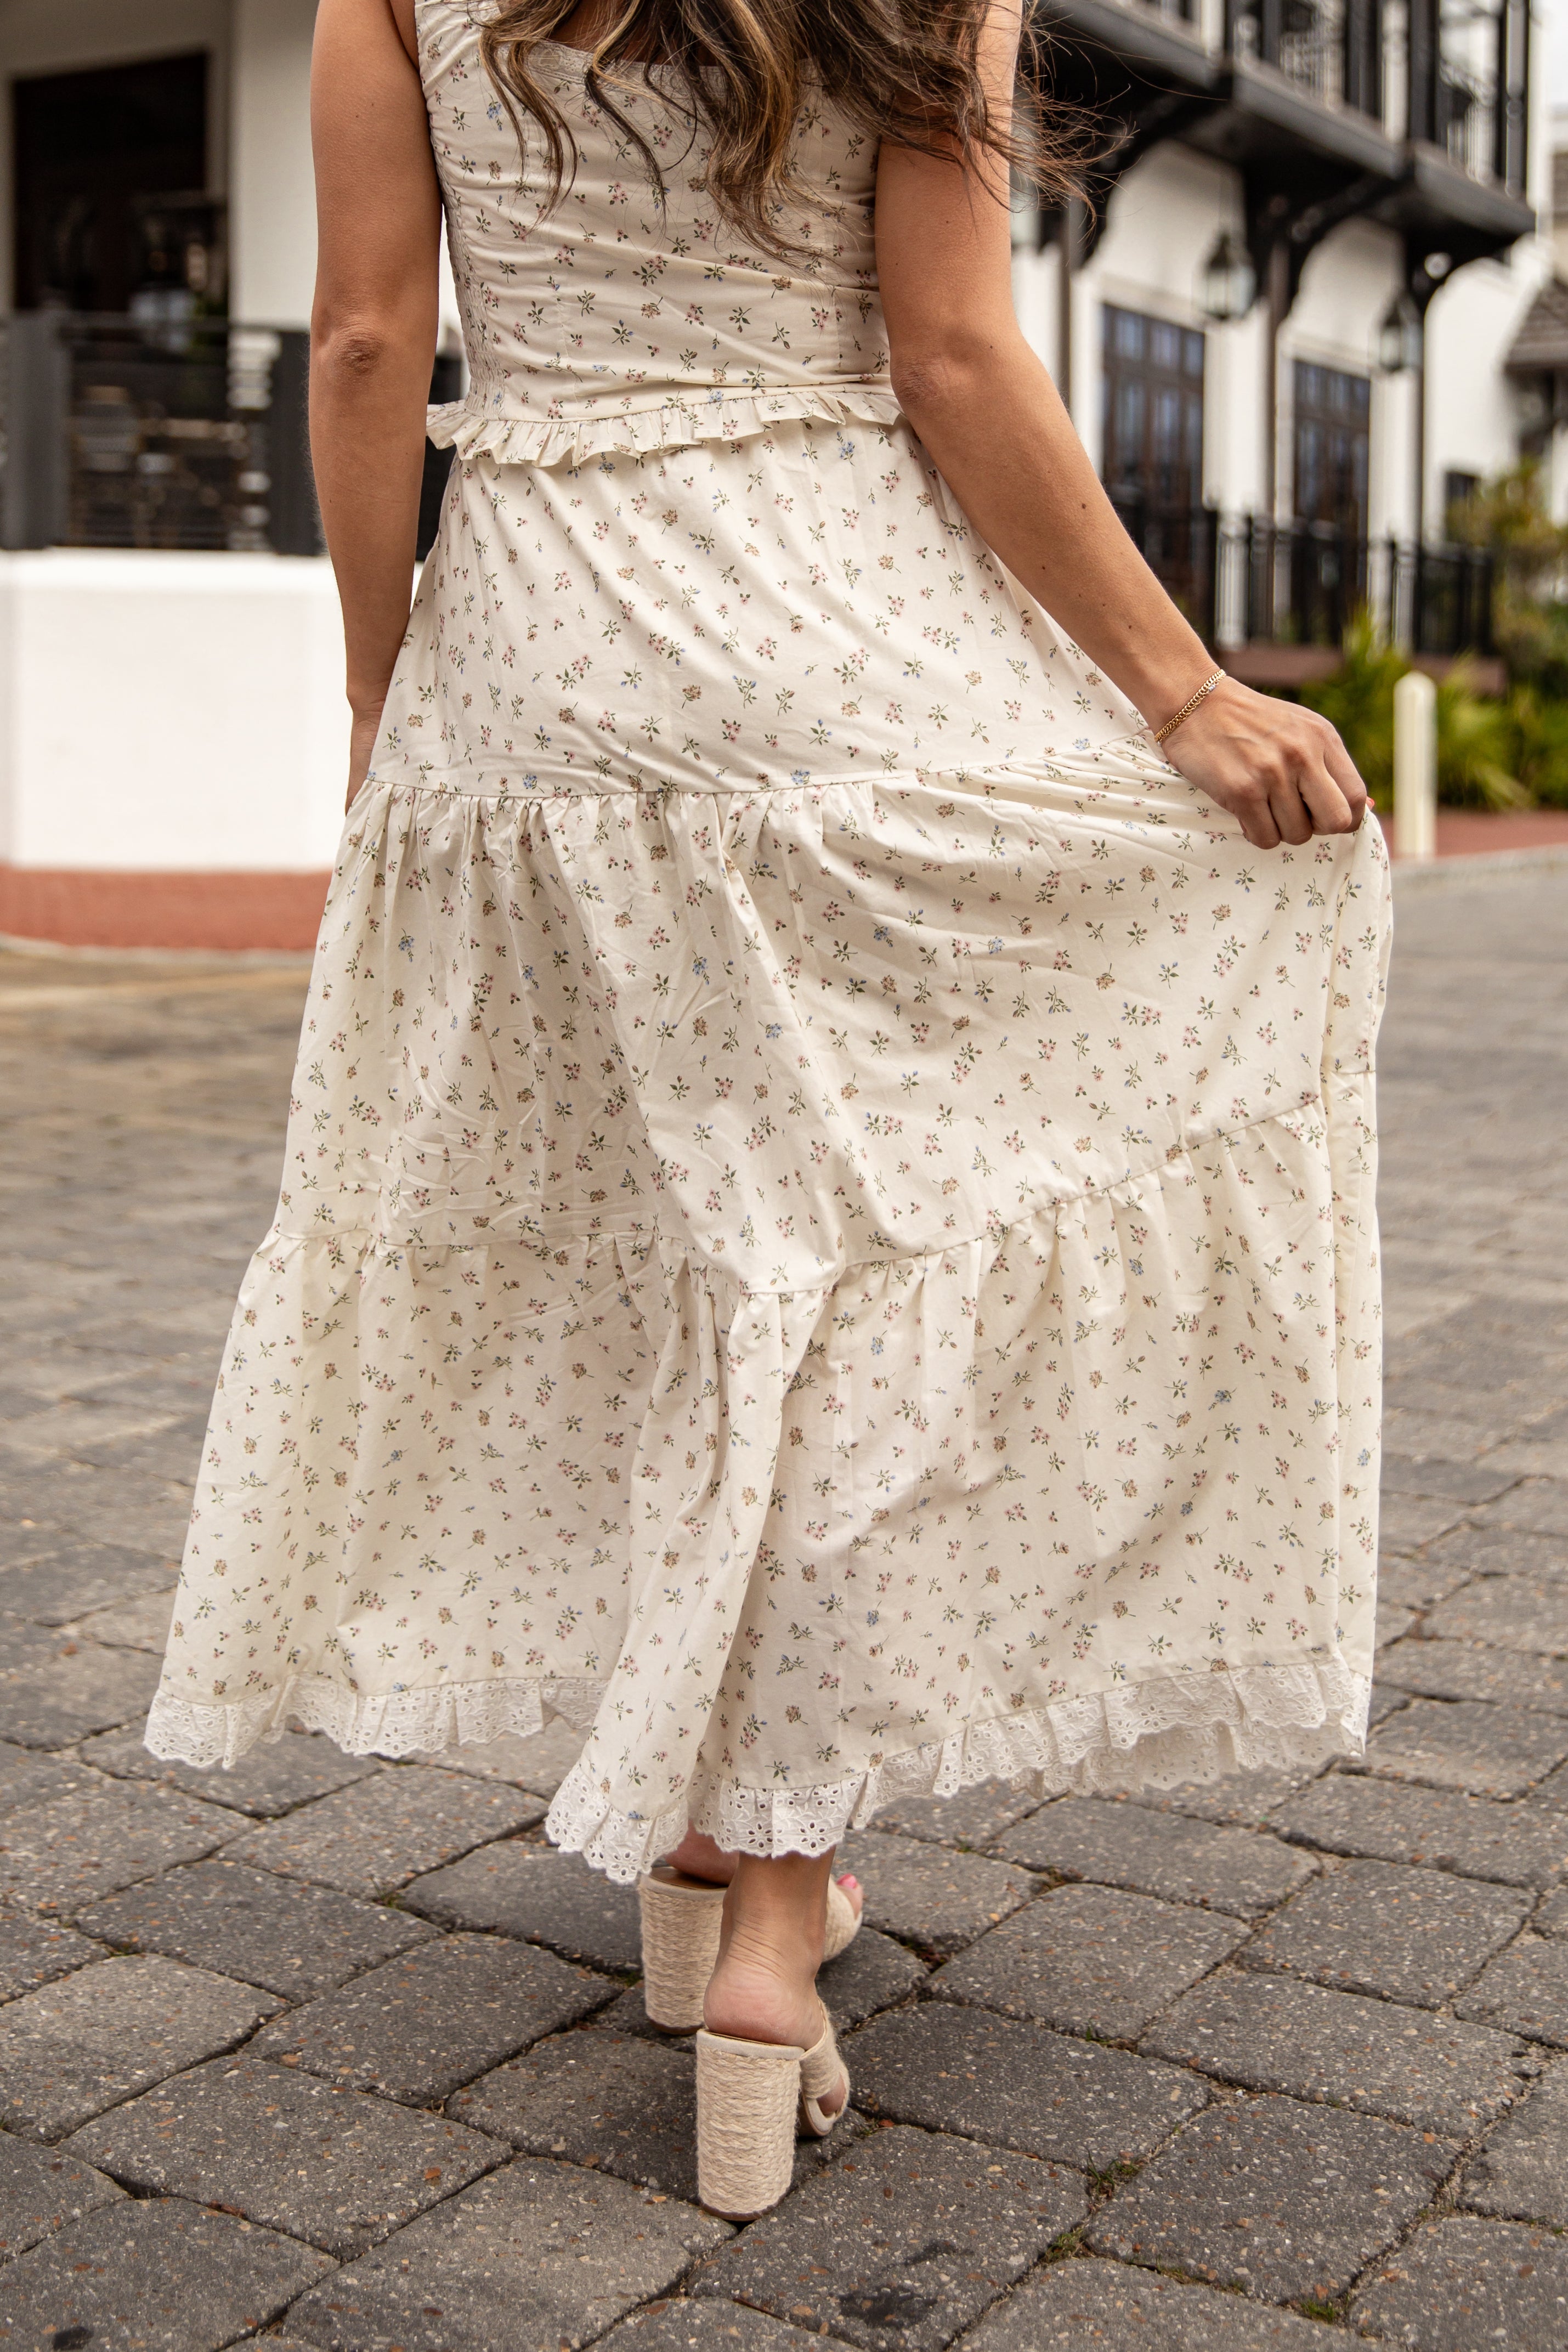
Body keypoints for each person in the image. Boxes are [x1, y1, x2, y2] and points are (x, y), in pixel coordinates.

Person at [146, 0, 1389, 2214]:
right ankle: (769, 1915)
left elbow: (362, 342)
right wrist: (1184, 690)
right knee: (843, 1257)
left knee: (664, 1249)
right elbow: (955, 357)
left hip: (538, 667)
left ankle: (711, 1837)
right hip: (836, 642)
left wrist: (381, 690)